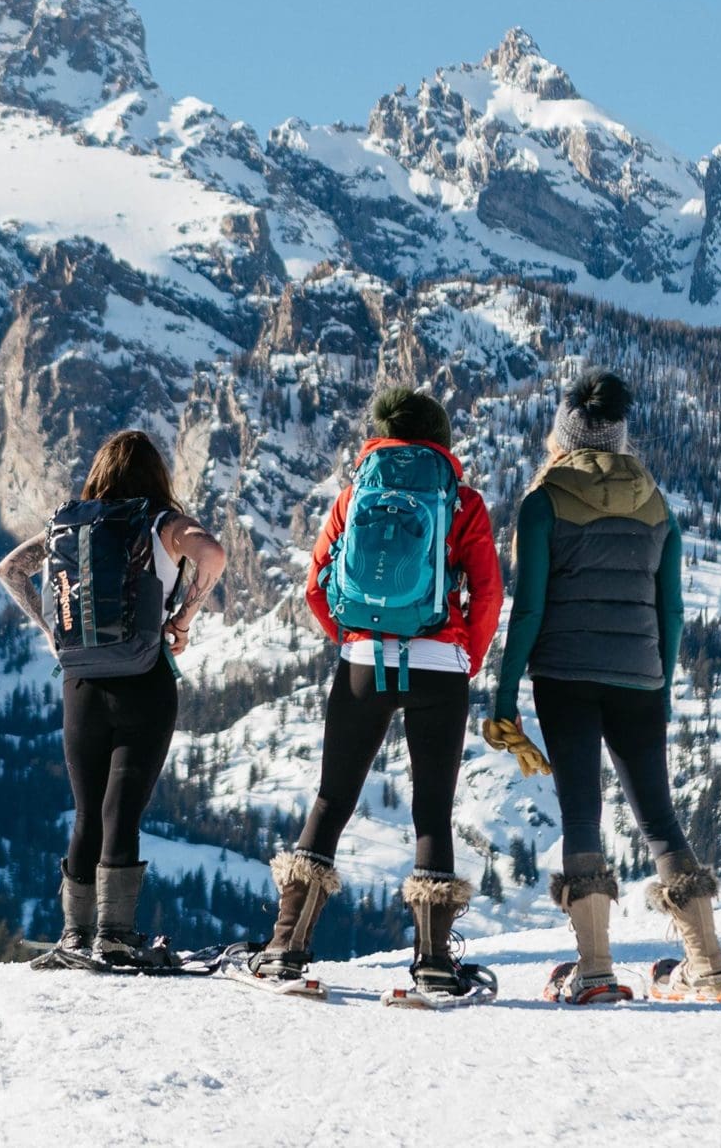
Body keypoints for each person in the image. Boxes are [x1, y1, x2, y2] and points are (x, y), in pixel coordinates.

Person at [486, 369, 721, 1003]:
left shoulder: (543, 501)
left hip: (564, 676)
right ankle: (709, 966)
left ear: (564, 438)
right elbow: (672, 610)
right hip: (640, 678)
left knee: (582, 813)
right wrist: (661, 685)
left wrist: (504, 696)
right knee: (659, 817)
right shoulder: (656, 502)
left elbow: (529, 608)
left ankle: (596, 970)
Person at [255, 387, 504, 996]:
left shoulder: (353, 494)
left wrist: (352, 638)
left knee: (331, 800)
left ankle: (285, 948)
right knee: (432, 811)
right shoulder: (462, 500)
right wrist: (465, 657)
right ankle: (434, 964)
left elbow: (316, 585)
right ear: (440, 438)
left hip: (363, 661)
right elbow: (488, 592)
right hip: (440, 662)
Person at [0, 430, 227, 967]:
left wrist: (51, 631)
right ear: (156, 476)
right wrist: (183, 618)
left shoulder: (67, 527)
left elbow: (9, 570)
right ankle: (116, 936)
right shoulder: (162, 522)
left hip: (80, 682)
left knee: (87, 812)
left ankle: (74, 937)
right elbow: (212, 554)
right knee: (122, 809)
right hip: (145, 679)